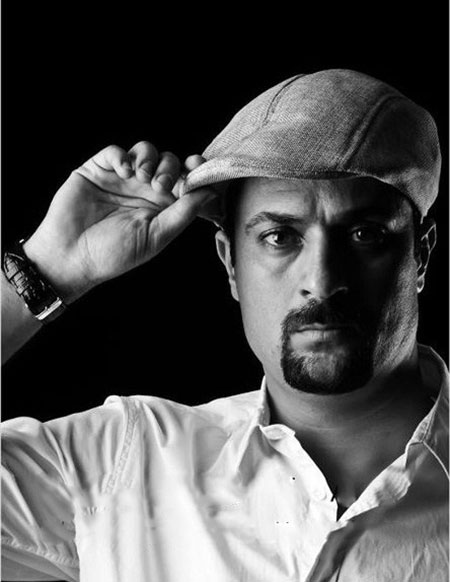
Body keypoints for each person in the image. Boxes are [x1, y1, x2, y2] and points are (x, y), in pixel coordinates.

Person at [1, 69, 448, 581]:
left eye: (364, 234)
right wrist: (47, 270)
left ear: (420, 256)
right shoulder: (122, 463)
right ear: (230, 263)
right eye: (280, 237)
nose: (321, 282)